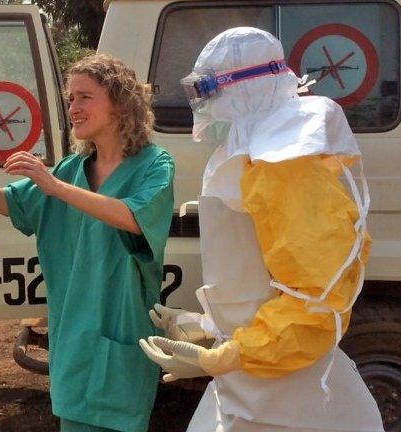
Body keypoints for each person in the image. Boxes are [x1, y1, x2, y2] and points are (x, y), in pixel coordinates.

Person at [138, 27, 384, 431]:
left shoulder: (285, 167)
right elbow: (256, 276)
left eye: (206, 91)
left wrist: (222, 356)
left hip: (287, 397)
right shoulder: (251, 156)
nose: (202, 106)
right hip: (255, 380)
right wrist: (208, 329)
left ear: (241, 90)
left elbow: (317, 302)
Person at [0, 54, 175, 431]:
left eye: (84, 97)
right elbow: (12, 203)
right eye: (70, 98)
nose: (73, 107)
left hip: (121, 330)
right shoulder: (70, 171)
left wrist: (55, 187)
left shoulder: (154, 166)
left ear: (120, 102)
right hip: (74, 335)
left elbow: (134, 218)